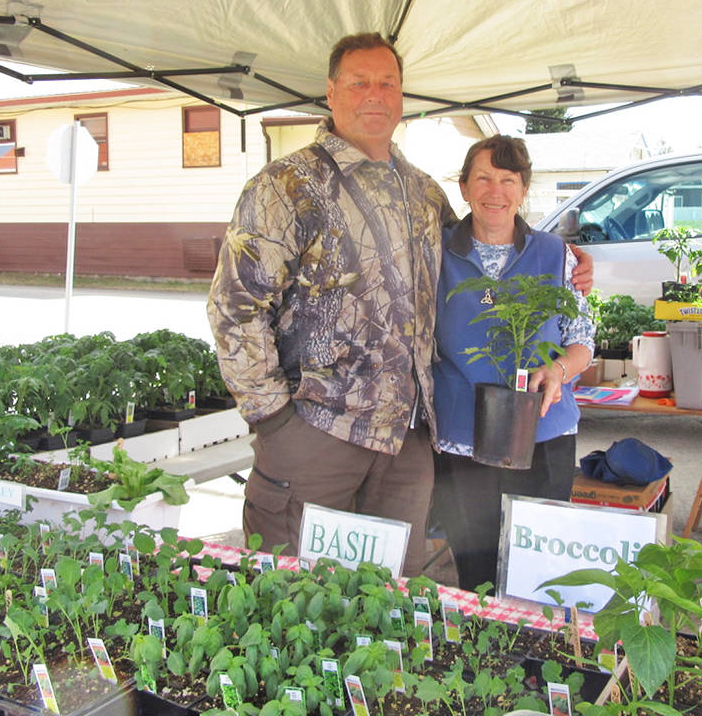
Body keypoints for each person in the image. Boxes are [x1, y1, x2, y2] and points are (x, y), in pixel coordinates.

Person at [208, 34, 592, 576]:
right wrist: (273, 420)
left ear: (402, 94)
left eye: (387, 82)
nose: (374, 94)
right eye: (359, 82)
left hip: (406, 445)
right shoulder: (284, 186)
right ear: (330, 91)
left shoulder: (421, 192)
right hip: (316, 432)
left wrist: (569, 266)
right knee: (293, 594)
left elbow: (485, 255)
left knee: (390, 601)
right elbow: (235, 306)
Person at [432, 135, 596, 593]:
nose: (495, 191)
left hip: (543, 432)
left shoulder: (554, 254)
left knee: (540, 572)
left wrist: (558, 371)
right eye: (483, 178)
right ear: (464, 188)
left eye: (508, 180)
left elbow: (582, 339)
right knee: (476, 571)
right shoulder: (434, 255)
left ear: (524, 190)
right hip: (464, 435)